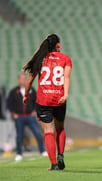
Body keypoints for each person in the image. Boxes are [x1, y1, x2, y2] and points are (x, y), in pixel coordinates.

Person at [22, 34, 72, 170]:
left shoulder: (40, 59)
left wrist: (26, 95)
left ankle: (54, 164)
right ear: (58, 45)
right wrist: (65, 94)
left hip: (44, 100)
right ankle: (60, 154)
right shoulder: (66, 59)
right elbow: (66, 77)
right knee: (60, 128)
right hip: (59, 99)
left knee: (48, 131)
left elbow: (29, 81)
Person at [7, 73, 47, 161]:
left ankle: (42, 151)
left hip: (30, 116)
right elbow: (9, 104)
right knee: (19, 136)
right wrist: (13, 113)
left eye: (25, 79)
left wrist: (34, 111)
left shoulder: (31, 90)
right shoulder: (14, 91)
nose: (24, 80)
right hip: (19, 117)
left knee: (37, 133)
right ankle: (19, 153)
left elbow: (37, 101)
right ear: (18, 80)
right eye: (22, 79)